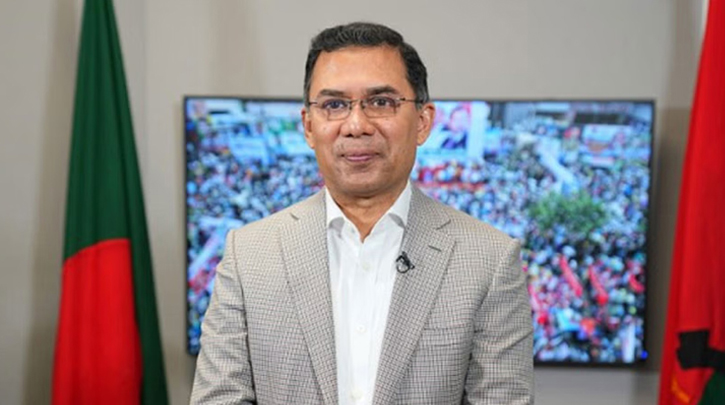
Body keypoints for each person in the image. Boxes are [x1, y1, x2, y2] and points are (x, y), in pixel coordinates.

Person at [191, 22, 534, 405]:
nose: (356, 126)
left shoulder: (490, 260)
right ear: (308, 126)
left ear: (423, 122)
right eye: (334, 105)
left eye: (381, 102)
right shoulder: (248, 255)